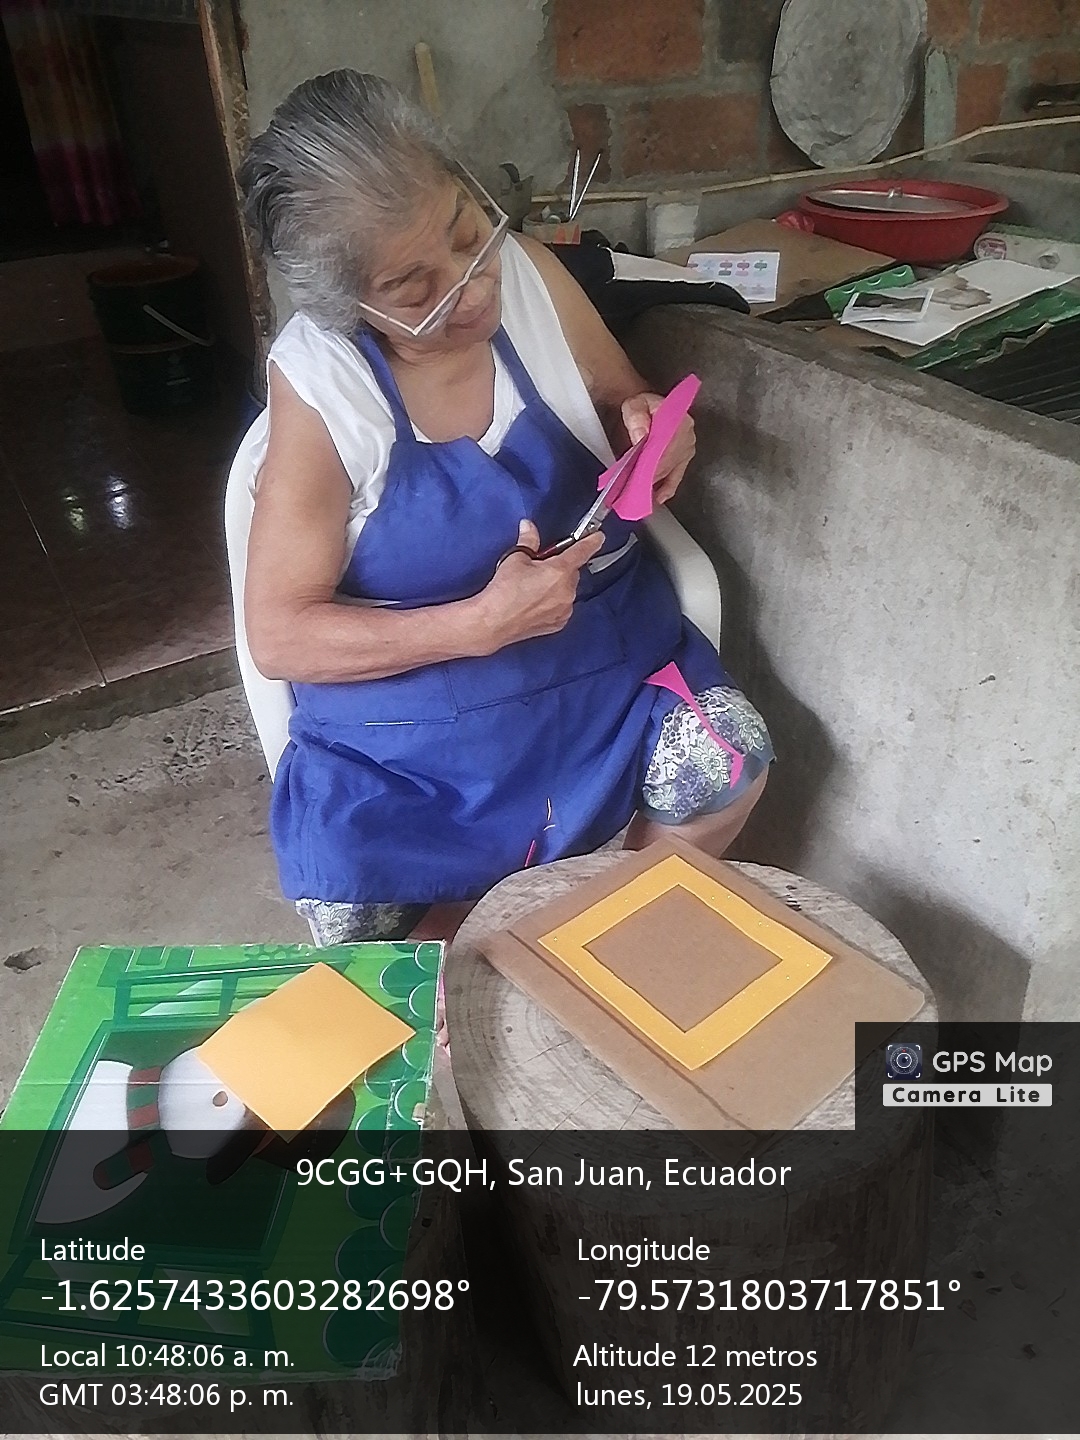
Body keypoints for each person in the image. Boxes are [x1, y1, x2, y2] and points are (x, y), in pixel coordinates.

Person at [228, 70, 773, 945]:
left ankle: (588, 942)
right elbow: (280, 635)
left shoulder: (524, 273)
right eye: (417, 290)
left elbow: (618, 400)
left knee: (725, 761)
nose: (473, 288)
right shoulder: (323, 387)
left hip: (601, 671)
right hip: (412, 735)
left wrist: (651, 429)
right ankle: (493, 959)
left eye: (467, 234)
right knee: (359, 909)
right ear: (346, 306)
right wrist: (476, 626)